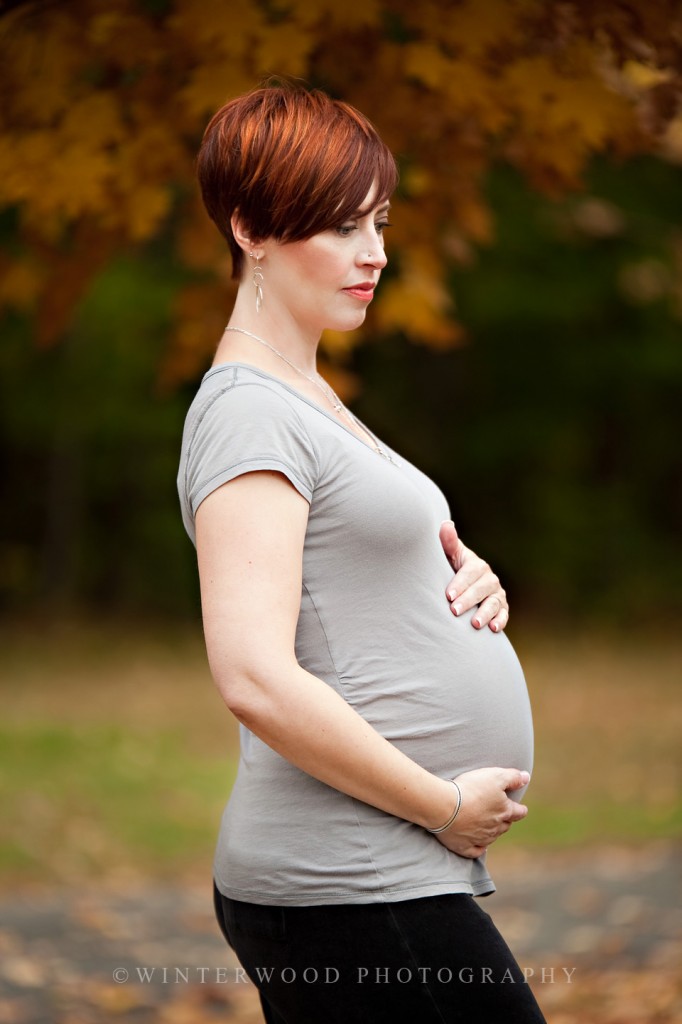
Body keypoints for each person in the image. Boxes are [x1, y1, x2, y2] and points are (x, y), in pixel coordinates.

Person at [177, 82, 546, 1024]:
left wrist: (460, 582)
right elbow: (254, 674)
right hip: (348, 878)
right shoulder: (248, 412)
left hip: (376, 875)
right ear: (251, 226)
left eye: (378, 222)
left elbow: (344, 580)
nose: (375, 253)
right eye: (340, 227)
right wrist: (439, 806)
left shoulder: (304, 393)